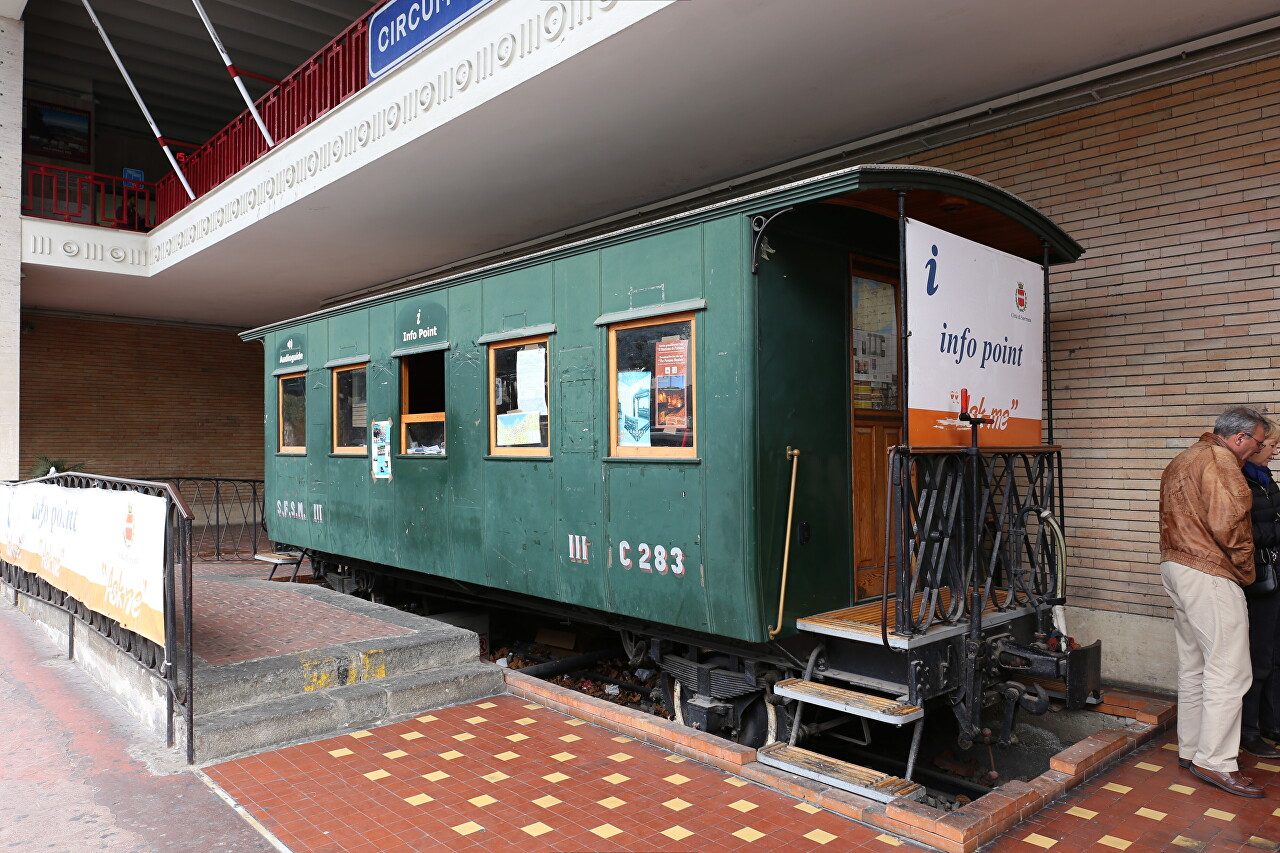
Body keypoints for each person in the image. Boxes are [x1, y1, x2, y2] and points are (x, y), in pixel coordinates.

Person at [1159, 406, 1268, 798]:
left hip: (1175, 565)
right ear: (1240, 439)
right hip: (1208, 570)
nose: (1259, 450)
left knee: (1195, 666)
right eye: (1258, 442)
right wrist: (1245, 571)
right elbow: (1231, 525)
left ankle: (1191, 750)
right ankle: (1216, 762)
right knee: (1231, 671)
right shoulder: (1221, 462)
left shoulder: (1184, 458)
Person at [1241, 419, 1280, 758]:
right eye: (1269, 445)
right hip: (1258, 580)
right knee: (1258, 657)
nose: (1274, 450)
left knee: (1274, 654)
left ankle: (1272, 724)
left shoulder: (1265, 480)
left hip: (1275, 574)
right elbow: (1244, 535)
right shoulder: (1239, 480)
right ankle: (1248, 732)